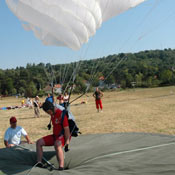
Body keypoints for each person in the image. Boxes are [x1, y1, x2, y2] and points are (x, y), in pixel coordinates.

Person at [36, 101, 70, 170]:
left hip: (63, 136)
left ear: (51, 108)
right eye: (47, 112)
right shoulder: (52, 114)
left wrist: (67, 141)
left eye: (48, 112)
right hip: (55, 136)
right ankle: (39, 163)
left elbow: (66, 129)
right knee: (39, 142)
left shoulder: (61, 114)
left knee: (57, 144)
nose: (49, 114)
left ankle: (61, 166)